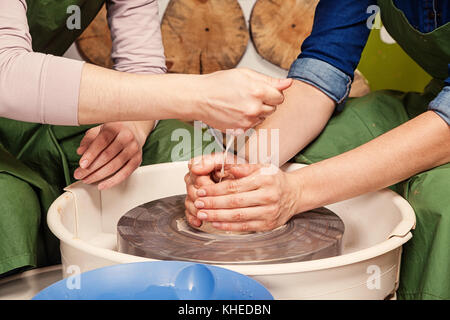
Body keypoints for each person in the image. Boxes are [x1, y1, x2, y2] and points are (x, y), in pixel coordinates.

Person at [0, 0, 292, 277]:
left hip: (48, 102)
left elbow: (140, 62)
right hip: (17, 92)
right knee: (9, 204)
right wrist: (198, 95)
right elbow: (7, 74)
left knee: (186, 151)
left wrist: (134, 125)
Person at [185, 0, 450, 299]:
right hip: (438, 98)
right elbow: (325, 65)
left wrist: (295, 193)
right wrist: (241, 174)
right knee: (312, 154)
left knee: (441, 199)